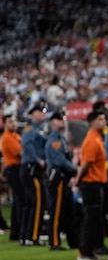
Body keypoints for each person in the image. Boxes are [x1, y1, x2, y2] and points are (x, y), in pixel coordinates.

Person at [74, 110, 108, 260]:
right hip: (90, 183)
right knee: (90, 218)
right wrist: (78, 179)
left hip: (95, 182)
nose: (104, 122)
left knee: (94, 218)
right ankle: (85, 251)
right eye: (100, 119)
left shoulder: (96, 138)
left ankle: (92, 248)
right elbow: (86, 163)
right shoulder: (92, 140)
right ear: (92, 122)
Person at [44, 109, 79, 251]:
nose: (63, 122)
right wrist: (75, 169)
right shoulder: (55, 140)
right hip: (58, 177)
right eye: (59, 119)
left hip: (64, 177)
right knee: (57, 210)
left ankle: (74, 240)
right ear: (53, 122)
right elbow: (60, 161)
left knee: (69, 211)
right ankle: (54, 242)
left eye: (63, 119)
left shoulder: (61, 138)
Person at [19, 100, 49, 246]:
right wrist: (38, 160)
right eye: (41, 112)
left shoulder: (40, 129)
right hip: (32, 168)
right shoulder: (30, 129)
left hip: (32, 167)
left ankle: (25, 235)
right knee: (37, 202)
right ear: (34, 114)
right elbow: (28, 145)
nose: (43, 114)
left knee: (30, 203)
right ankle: (33, 236)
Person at [2, 113, 25, 238]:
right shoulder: (7, 138)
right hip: (14, 169)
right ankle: (21, 228)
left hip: (17, 169)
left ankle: (16, 231)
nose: (13, 124)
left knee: (17, 200)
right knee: (21, 199)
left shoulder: (16, 136)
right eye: (10, 122)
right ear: (5, 124)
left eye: (14, 121)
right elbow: (21, 153)